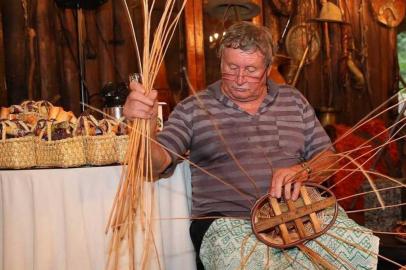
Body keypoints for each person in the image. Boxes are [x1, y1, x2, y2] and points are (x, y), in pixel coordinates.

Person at [124, 22, 376, 270]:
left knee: (360, 251)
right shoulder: (194, 108)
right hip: (228, 223)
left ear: (268, 68)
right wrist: (141, 126)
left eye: (251, 70)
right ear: (220, 62)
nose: (240, 79)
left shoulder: (293, 100)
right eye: (231, 67)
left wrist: (304, 171)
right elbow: (153, 165)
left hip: (298, 214)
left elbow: (329, 160)